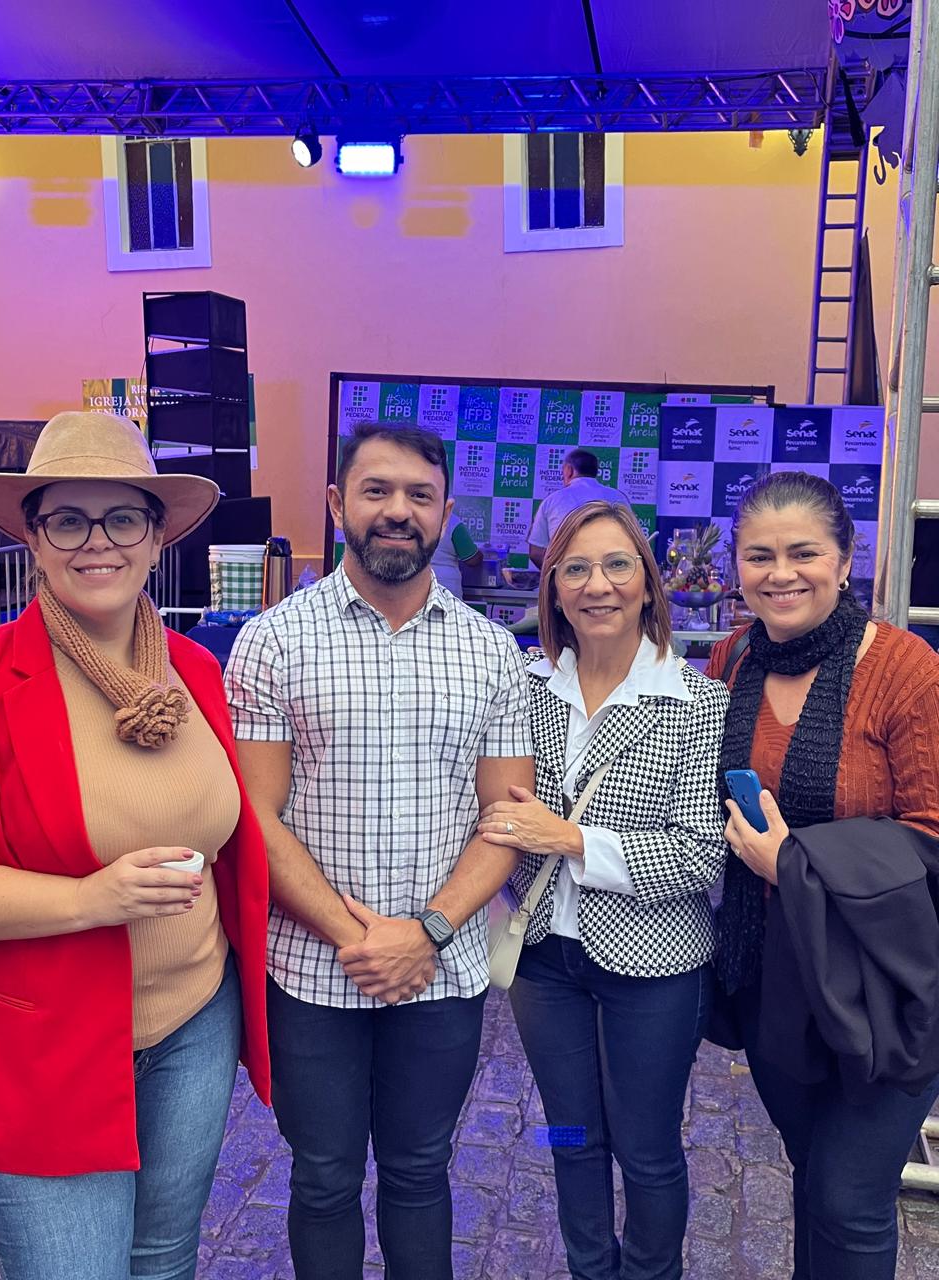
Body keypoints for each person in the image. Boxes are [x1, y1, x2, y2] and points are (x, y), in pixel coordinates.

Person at [224, 421, 533, 1280]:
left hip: (442, 968)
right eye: (377, 491)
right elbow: (254, 815)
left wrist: (423, 933)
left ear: (445, 513)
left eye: (420, 495)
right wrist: (358, 938)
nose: (399, 510)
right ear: (337, 505)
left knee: (420, 1170)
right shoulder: (274, 641)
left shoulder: (491, 652)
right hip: (312, 973)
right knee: (323, 1177)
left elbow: (506, 819)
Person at [0, 411, 271, 1280]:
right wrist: (86, 900)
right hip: (44, 1047)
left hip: (195, 1021)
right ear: (33, 538)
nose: (97, 542)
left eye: (122, 519)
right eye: (68, 519)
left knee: (164, 1259)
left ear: (156, 538)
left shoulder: (196, 670)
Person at [479, 499, 729, 1280]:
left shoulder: (696, 703)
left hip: (654, 968)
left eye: (618, 565)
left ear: (648, 583)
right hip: (544, 962)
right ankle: (591, 1269)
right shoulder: (522, 690)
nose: (598, 585)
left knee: (647, 1149)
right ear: (553, 589)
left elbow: (699, 856)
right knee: (568, 1136)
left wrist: (571, 839)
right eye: (576, 569)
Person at [708, 469, 939, 1280]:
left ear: (845, 561)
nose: (781, 574)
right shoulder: (732, 659)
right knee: (813, 1177)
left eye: (803, 553)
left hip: (889, 987)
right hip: (775, 982)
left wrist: (794, 863)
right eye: (760, 556)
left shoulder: (904, 669)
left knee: (849, 1199)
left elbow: (933, 833)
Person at [528, 448, 631, 568]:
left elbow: (536, 553)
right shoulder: (618, 497)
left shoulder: (552, 500)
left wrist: (557, 574)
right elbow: (632, 544)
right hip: (610, 574)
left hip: (567, 574)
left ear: (569, 470)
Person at [430, 511, 483, 598]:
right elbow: (472, 559)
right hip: (447, 585)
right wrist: (480, 555)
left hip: (417, 585)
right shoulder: (452, 522)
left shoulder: (415, 519)